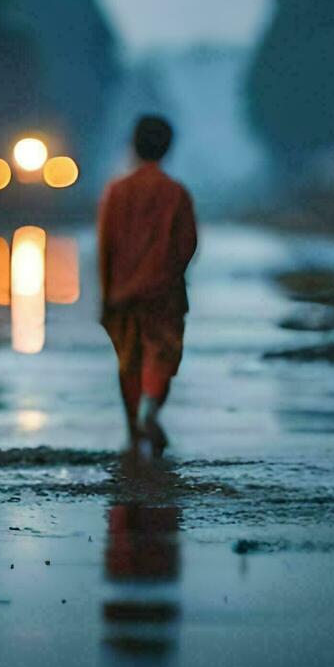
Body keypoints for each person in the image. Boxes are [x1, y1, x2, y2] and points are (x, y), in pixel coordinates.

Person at [97, 115, 197, 457]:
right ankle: (151, 411)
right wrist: (172, 276)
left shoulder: (117, 190)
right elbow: (187, 245)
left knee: (128, 360)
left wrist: (107, 292)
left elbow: (105, 244)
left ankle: (132, 425)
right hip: (163, 294)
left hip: (122, 294)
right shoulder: (176, 193)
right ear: (168, 148)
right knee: (161, 356)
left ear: (133, 145)